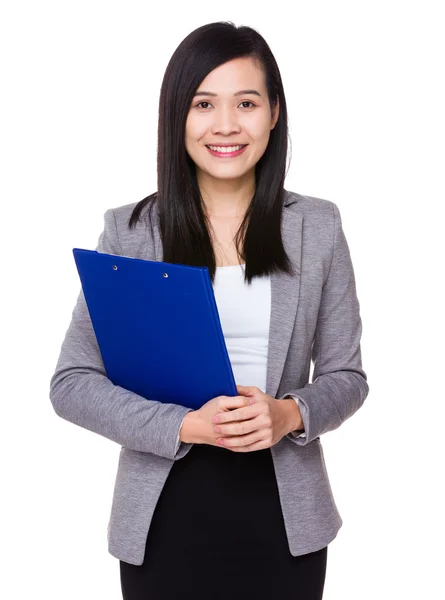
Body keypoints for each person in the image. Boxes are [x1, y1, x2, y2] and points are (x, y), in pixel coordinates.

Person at [49, 21, 369, 600]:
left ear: (274, 112)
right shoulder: (129, 232)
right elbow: (71, 383)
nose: (226, 125)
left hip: (285, 520)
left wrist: (289, 414)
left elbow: (348, 378)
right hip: (162, 516)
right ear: (177, 117)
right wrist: (185, 425)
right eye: (203, 104)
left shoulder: (317, 226)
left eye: (246, 102)